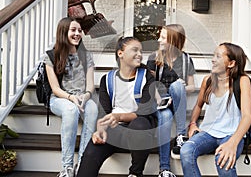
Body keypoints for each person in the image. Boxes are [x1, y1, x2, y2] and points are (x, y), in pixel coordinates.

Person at [76, 37, 157, 177]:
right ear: (120, 53)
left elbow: (145, 111)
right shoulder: (107, 80)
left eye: (141, 51)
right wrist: (99, 130)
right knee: (89, 156)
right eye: (135, 50)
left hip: (140, 131)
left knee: (140, 124)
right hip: (115, 130)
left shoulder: (147, 78)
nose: (139, 54)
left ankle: (135, 173)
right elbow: (104, 113)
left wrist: (118, 116)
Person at [180, 42, 251, 177]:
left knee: (223, 162)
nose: (213, 59)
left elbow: (247, 116)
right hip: (208, 133)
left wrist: (232, 143)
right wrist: (192, 124)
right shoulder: (207, 80)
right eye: (214, 55)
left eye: (218, 56)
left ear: (231, 63)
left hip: (232, 134)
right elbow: (198, 105)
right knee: (186, 151)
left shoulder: (243, 81)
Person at [45, 17, 98, 177]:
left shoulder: (86, 55)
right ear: (63, 32)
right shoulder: (51, 55)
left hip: (82, 97)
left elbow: (90, 85)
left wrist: (86, 95)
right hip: (60, 99)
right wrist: (70, 98)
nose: (77, 34)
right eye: (73, 30)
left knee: (93, 109)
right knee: (70, 111)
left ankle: (82, 163)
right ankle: (67, 168)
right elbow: (55, 88)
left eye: (79, 31)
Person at [146, 24, 195, 177]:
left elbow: (192, 87)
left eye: (163, 37)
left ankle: (181, 135)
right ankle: (165, 169)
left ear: (173, 41)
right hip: (160, 101)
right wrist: (160, 100)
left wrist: (178, 91)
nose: (158, 40)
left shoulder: (186, 60)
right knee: (165, 117)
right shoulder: (154, 58)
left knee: (177, 85)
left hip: (178, 100)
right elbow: (150, 85)